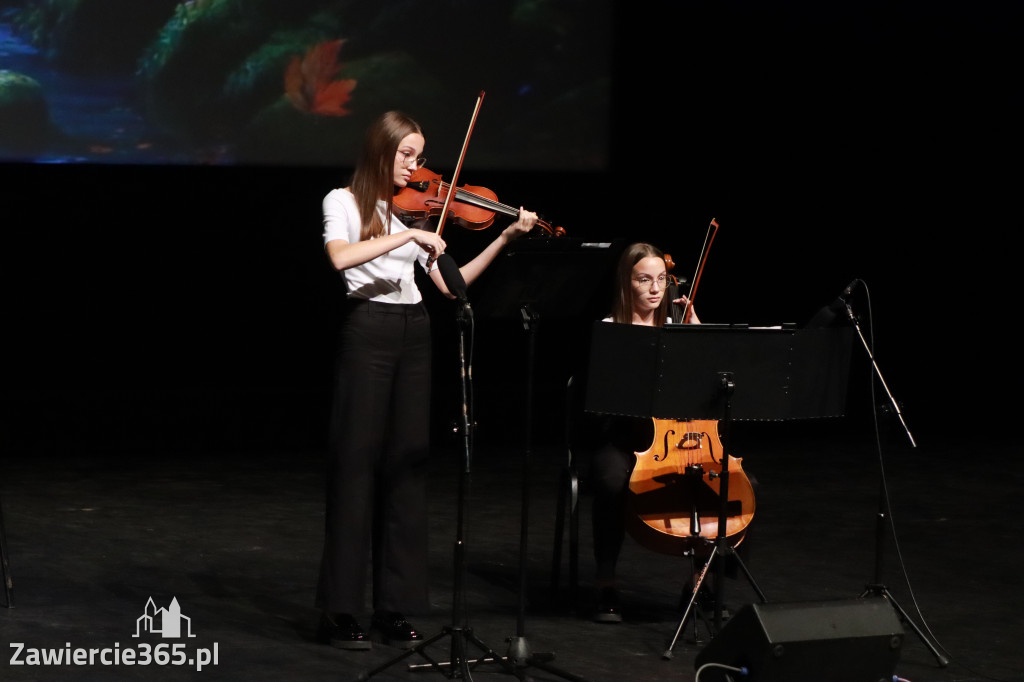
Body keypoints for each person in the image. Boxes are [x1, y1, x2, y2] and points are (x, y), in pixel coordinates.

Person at [315, 110, 537, 650]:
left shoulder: (416, 217)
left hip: (414, 334)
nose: (416, 168)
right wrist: (404, 238)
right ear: (381, 152)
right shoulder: (342, 201)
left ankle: (395, 607)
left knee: (407, 468)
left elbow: (452, 284)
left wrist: (505, 235)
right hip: (367, 331)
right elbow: (341, 258)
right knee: (355, 466)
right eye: (407, 155)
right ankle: (341, 610)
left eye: (419, 156)